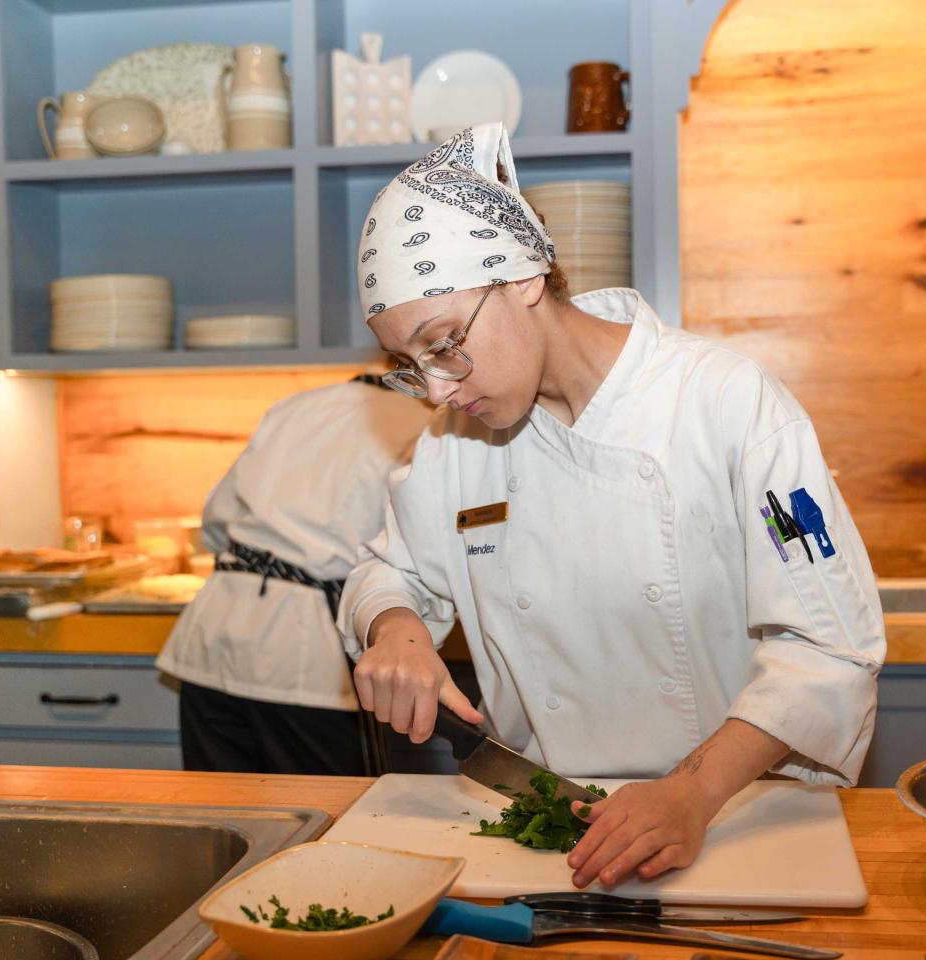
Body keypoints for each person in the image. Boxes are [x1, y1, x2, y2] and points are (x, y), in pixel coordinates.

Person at [337, 123, 885, 887]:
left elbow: (831, 647)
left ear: (523, 278)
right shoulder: (455, 441)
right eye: (408, 365)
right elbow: (387, 571)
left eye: (443, 344)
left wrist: (693, 793)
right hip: (551, 834)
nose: (436, 388)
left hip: (732, 815)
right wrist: (394, 630)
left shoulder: (725, 403)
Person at [156, 373, 432, 775]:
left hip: (214, 634)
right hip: (307, 656)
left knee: (221, 818)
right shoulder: (424, 424)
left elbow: (216, 520)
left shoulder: (295, 406)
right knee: (330, 817)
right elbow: (414, 550)